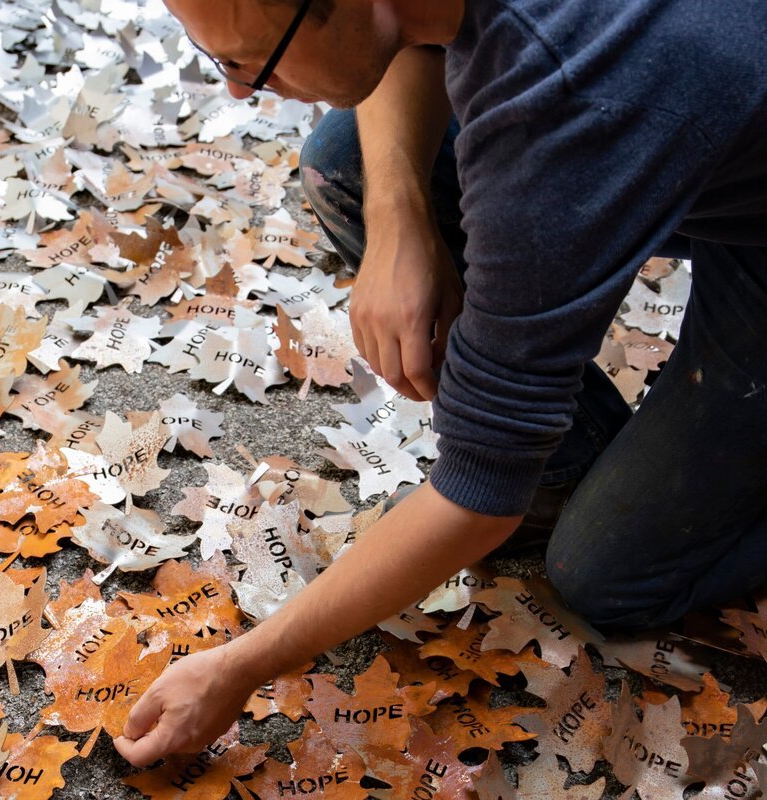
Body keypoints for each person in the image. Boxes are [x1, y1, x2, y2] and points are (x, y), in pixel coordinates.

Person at [114, 0, 767, 768]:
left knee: (605, 577)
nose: (237, 89)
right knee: (355, 164)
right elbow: (414, 37)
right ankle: (564, 459)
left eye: (247, 62)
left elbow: (477, 491)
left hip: (701, 171)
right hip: (702, 113)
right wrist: (399, 218)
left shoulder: (559, 115)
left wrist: (240, 667)